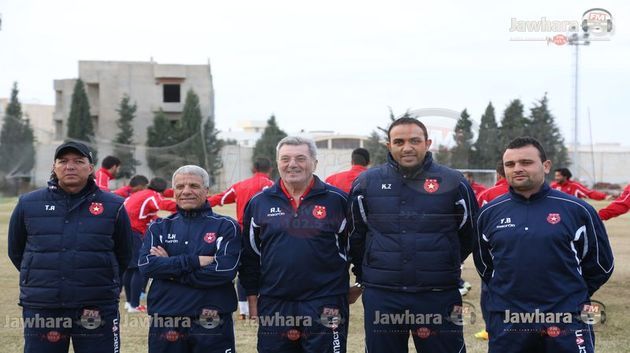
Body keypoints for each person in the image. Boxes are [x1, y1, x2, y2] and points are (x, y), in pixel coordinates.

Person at [348, 117, 478, 353]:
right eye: (399, 141)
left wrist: (444, 262)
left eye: (414, 140)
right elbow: (356, 235)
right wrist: (367, 271)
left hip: (438, 295)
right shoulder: (366, 183)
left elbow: (469, 233)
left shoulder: (453, 182)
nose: (407, 147)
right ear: (389, 145)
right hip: (383, 296)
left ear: (427, 143)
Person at [473, 137, 614, 353]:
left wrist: (569, 294)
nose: (517, 169)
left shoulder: (578, 210)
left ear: (546, 166)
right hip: (509, 318)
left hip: (566, 316)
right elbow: (485, 265)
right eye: (510, 164)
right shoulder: (489, 212)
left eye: (526, 162)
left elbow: (601, 265)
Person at [8, 141, 132, 353]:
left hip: (96, 305)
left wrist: (102, 281)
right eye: (63, 161)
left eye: (78, 161)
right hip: (44, 306)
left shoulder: (114, 206)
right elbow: (16, 251)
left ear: (90, 168)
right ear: (54, 167)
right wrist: (46, 277)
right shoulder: (28, 203)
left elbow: (124, 253)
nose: (70, 166)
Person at [240, 136, 350, 353]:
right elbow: (250, 255)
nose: (292, 164)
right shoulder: (259, 202)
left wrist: (357, 285)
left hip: (325, 301)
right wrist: (251, 296)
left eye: (301, 158)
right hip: (275, 302)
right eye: (285, 159)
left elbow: (356, 246)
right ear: (278, 162)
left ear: (314, 163)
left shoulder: (338, 200)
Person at [139, 165, 241, 353]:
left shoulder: (226, 227)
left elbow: (224, 271)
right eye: (180, 187)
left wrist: (169, 269)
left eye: (194, 185)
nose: (186, 191)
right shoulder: (159, 226)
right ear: (173, 191)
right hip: (167, 318)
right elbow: (147, 266)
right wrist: (194, 262)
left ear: (207, 190)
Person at [208, 157, 274, 320]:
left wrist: (197, 204)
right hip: (264, 232)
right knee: (268, 268)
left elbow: (220, 198)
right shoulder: (270, 185)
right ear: (270, 169)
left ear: (253, 169)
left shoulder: (240, 185)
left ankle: (243, 310)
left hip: (242, 231)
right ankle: (261, 307)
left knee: (244, 268)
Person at [122, 177, 177, 313]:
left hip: (124, 230)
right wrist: (181, 206)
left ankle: (129, 303)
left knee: (129, 268)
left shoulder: (138, 194)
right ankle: (134, 305)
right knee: (139, 268)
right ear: (162, 190)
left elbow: (148, 214)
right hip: (135, 232)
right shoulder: (152, 196)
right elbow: (162, 205)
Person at [474, 160, 509, 341]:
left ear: (498, 174)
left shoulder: (488, 194)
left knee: (489, 289)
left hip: (495, 252)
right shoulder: (531, 193)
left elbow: (476, 224)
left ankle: (491, 328)